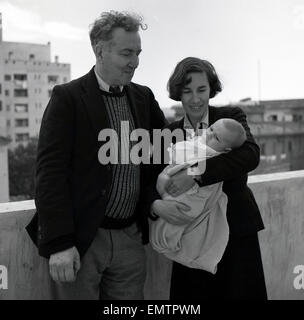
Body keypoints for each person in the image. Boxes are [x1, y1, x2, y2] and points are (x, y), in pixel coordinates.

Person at [26, 11, 167, 300]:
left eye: (138, 53)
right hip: (81, 241)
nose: (135, 62)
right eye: (127, 53)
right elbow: (50, 173)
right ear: (99, 50)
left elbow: (163, 155)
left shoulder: (144, 97)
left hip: (130, 236)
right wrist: (60, 243)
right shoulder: (67, 97)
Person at [151, 57, 268, 300]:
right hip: (189, 237)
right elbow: (153, 178)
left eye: (202, 90)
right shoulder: (169, 133)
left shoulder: (230, 117)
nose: (195, 99)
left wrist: (194, 175)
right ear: (178, 93)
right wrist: (155, 204)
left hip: (236, 231)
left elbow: (249, 155)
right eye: (187, 91)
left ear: (211, 89)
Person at [150, 119, 246, 274]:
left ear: (226, 150)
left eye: (216, 138)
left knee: (182, 215)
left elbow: (180, 153)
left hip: (194, 199)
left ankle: (168, 241)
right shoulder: (179, 132)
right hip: (171, 194)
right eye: (211, 129)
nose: (209, 135)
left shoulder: (214, 154)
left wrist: (193, 172)